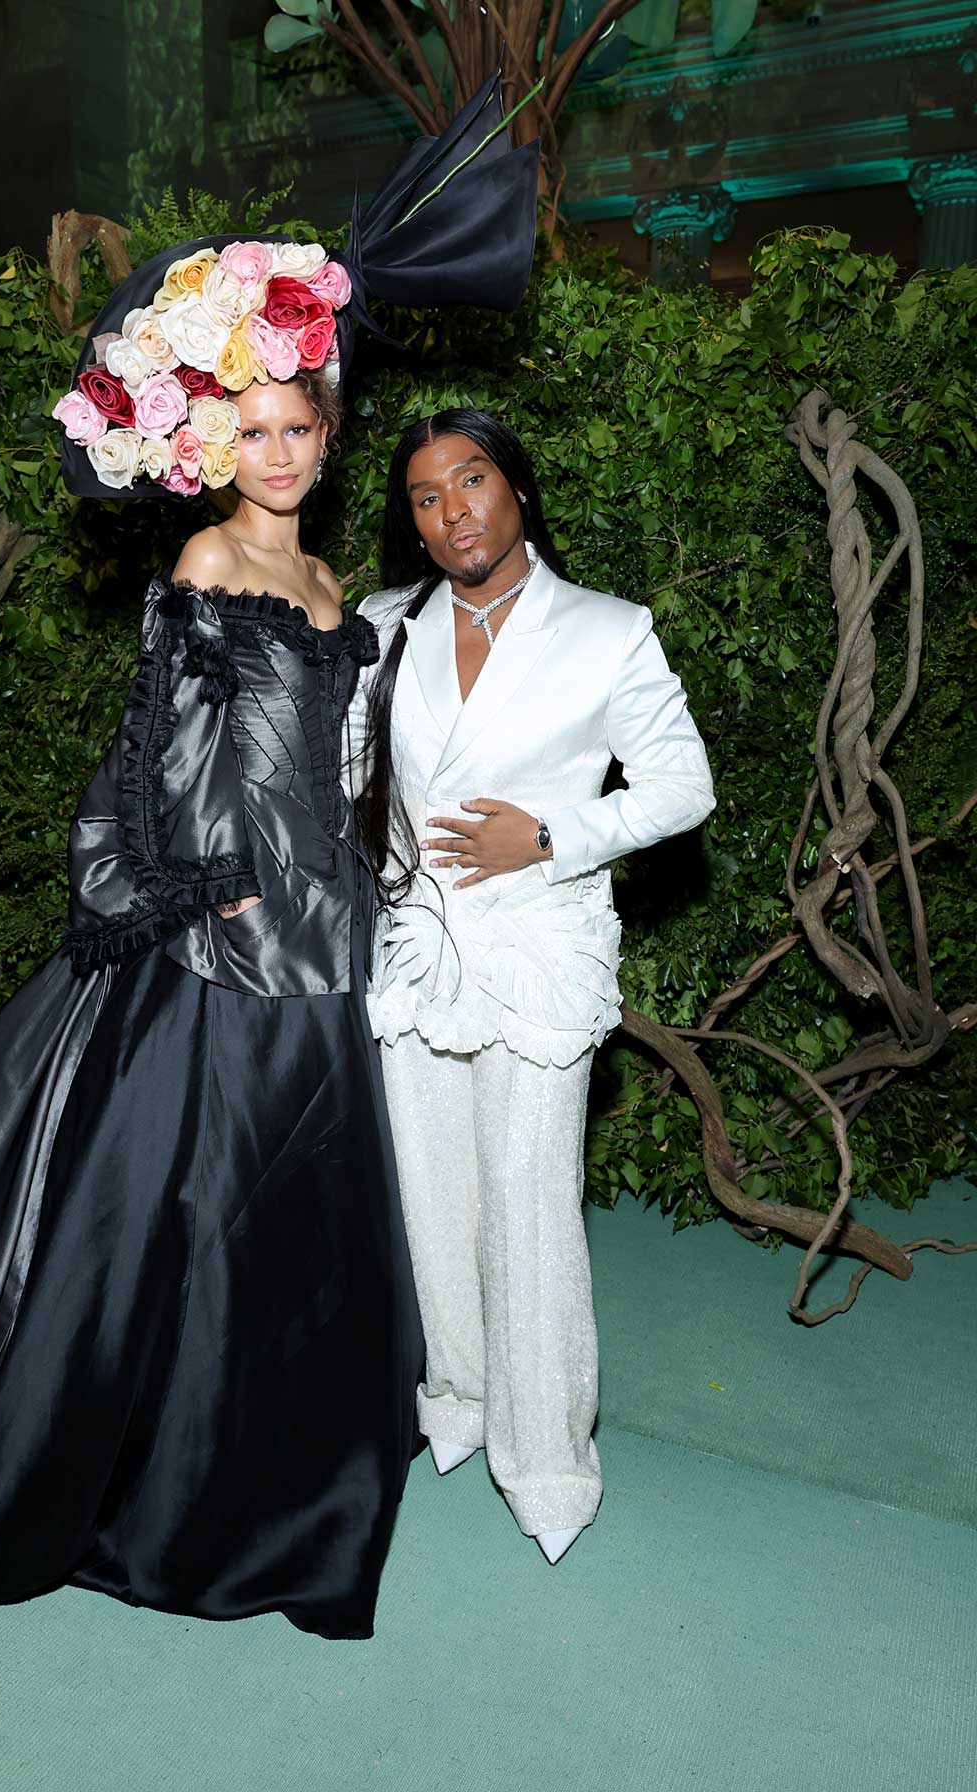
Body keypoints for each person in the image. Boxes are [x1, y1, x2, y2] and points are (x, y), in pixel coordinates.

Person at [0, 73, 544, 1728]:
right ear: (214, 440)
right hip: (230, 926)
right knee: (189, 1207)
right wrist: (198, 897)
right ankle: (175, 1482)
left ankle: (258, 1476)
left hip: (326, 923)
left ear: (329, 432)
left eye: (309, 429)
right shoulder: (214, 564)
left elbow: (340, 751)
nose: (287, 454)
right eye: (261, 430)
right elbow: (158, 748)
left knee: (286, 1220)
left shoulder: (320, 575)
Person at [351, 409, 715, 1565]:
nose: (451, 509)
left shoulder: (605, 631)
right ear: (409, 520)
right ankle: (455, 1400)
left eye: (471, 480)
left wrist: (552, 833)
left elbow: (681, 788)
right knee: (431, 1190)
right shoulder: (378, 626)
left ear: (514, 490)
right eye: (423, 495)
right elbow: (348, 781)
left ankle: (549, 1456)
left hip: (537, 947)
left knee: (528, 1196)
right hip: (415, 949)